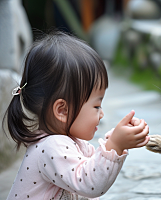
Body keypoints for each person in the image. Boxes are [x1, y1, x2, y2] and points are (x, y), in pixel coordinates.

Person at [3, 31, 150, 199]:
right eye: (96, 105)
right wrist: (115, 144)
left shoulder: (67, 142)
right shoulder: (52, 146)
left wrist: (117, 141)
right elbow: (90, 183)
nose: (101, 114)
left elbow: (93, 166)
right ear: (62, 111)